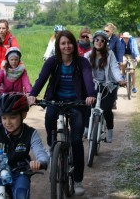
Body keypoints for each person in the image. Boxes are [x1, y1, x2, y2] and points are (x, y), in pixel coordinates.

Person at [27, 30, 96, 196]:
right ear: (58, 46)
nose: (67, 46)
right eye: (63, 43)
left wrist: (91, 95)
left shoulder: (82, 63)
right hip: (56, 101)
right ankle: (52, 147)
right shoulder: (52, 62)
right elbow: (41, 79)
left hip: (77, 102)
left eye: (69, 42)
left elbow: (88, 80)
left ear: (74, 43)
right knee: (49, 117)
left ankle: (78, 180)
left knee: (76, 141)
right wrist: (32, 94)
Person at [84, 31, 126, 143]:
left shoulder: (110, 54)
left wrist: (120, 80)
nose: (99, 42)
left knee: (107, 109)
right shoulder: (87, 55)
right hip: (93, 85)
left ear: (105, 43)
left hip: (109, 85)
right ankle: (86, 128)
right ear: (93, 41)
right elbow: (83, 69)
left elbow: (115, 68)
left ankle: (110, 131)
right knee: (88, 105)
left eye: (102, 40)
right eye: (97, 40)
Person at [0, 47, 32, 123]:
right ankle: (0, 127)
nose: (14, 62)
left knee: (19, 115)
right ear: (8, 60)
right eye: (11, 60)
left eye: (16, 59)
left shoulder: (22, 70)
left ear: (19, 60)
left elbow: (26, 82)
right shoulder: (3, 70)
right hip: (4, 96)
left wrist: (28, 92)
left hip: (17, 96)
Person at [103, 23, 125, 109]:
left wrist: (120, 62)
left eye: (107, 31)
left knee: (114, 84)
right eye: (104, 30)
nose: (105, 32)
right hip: (102, 64)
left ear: (112, 31)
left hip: (113, 65)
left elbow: (119, 51)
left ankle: (113, 100)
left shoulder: (116, 40)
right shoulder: (101, 39)